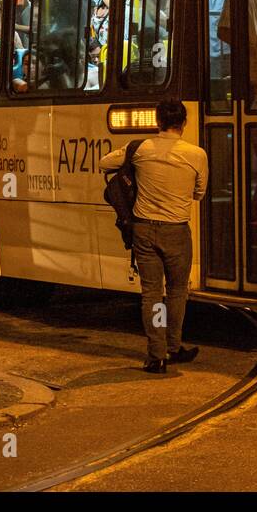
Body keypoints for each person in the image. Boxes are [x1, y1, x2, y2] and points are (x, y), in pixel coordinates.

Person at [99, 99, 207, 373]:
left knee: (151, 294)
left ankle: (156, 355)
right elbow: (199, 193)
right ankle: (174, 346)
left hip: (144, 230)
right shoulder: (196, 154)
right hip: (177, 231)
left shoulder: (140, 148)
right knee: (178, 291)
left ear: (157, 121)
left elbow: (104, 163)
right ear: (183, 123)